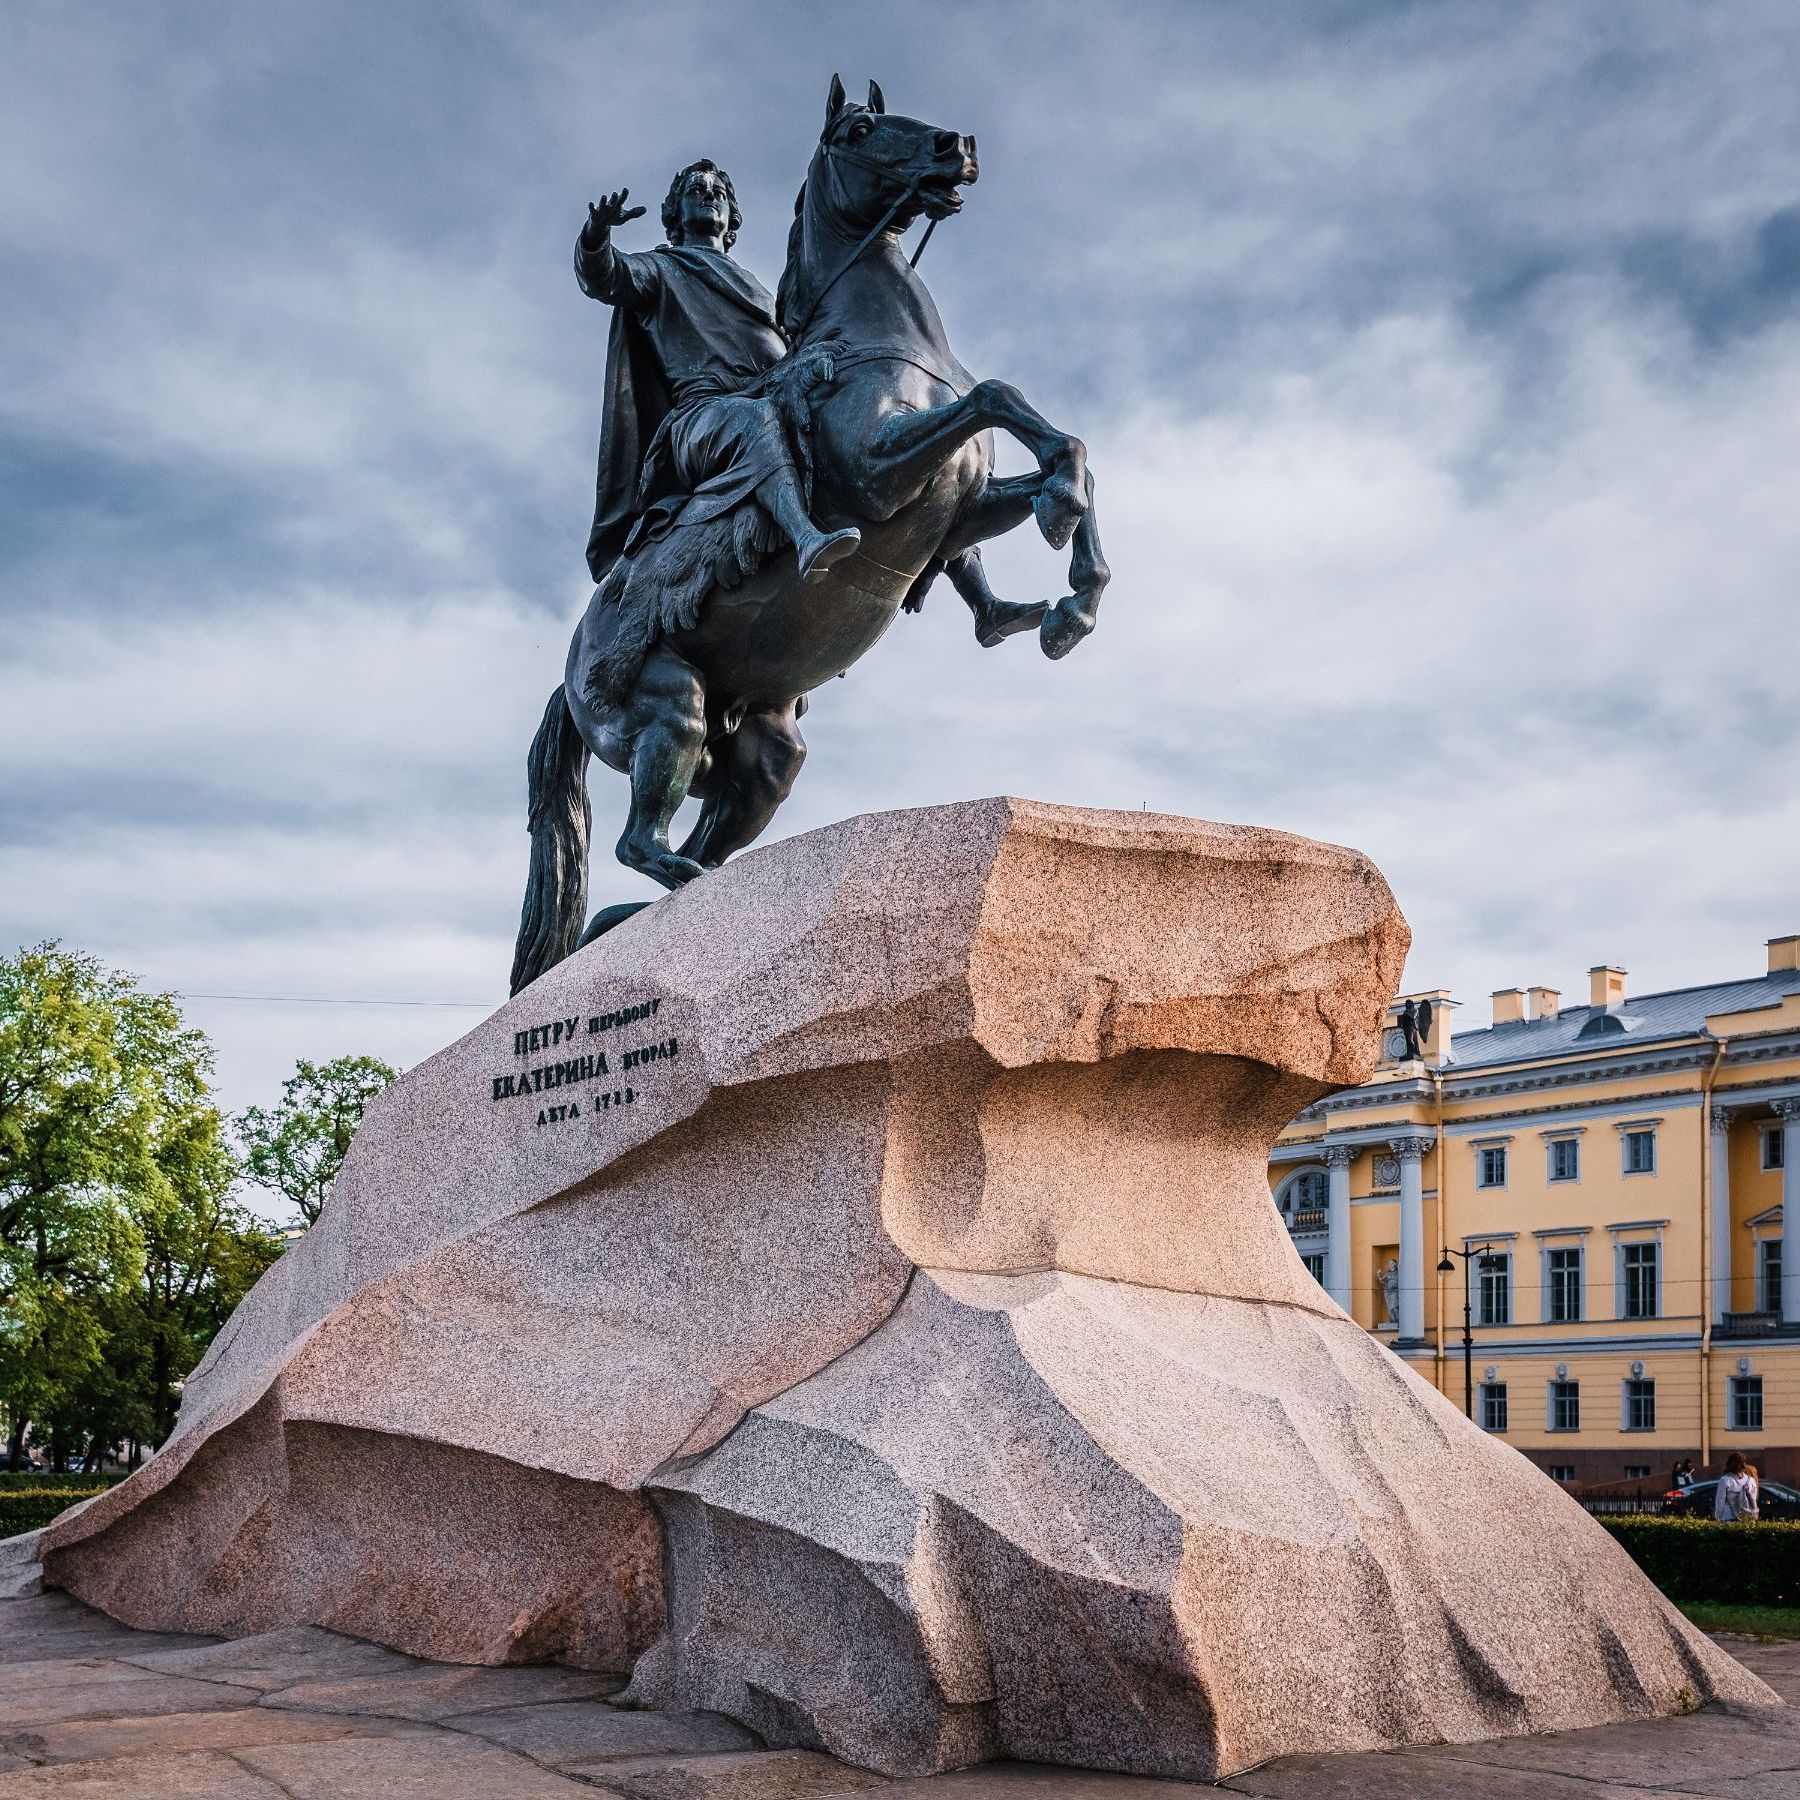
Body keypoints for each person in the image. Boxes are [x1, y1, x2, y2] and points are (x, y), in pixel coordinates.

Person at [576, 160, 860, 587]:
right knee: (753, 422)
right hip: (702, 418)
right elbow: (606, 277)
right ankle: (805, 538)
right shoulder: (660, 269)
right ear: (676, 213)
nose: (709, 195)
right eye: (696, 190)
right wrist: (596, 237)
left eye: (719, 193)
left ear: (731, 217)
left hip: (772, 393)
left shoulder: (761, 288)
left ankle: (970, 581)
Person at [1714, 1451, 1759, 1522]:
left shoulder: (1725, 1480)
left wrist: (1718, 1518)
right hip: (1747, 1519)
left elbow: (1720, 1502)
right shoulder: (1751, 1480)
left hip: (1729, 1518)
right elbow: (1754, 1499)